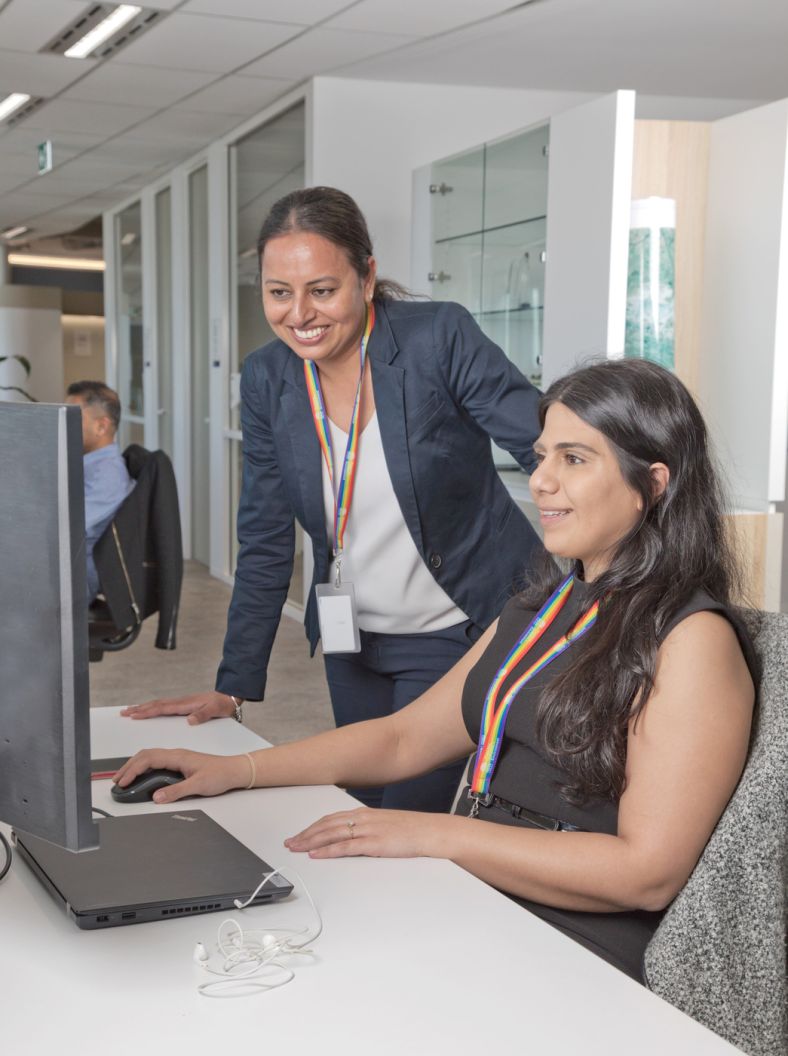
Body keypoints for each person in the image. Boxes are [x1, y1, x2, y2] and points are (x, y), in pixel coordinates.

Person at [115, 359, 757, 983]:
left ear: (654, 482)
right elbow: (404, 738)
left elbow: (646, 873)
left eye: (574, 458)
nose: (540, 480)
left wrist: (430, 834)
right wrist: (239, 769)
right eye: (540, 456)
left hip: (571, 945)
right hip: (469, 893)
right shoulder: (544, 605)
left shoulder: (691, 642)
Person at [121, 186, 544, 813]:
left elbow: (548, 443)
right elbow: (264, 537)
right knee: (360, 803)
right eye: (278, 292)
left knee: (407, 820)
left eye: (322, 290)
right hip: (353, 639)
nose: (300, 315)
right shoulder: (269, 376)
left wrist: (606, 567)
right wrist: (234, 686)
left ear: (366, 277)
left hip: (461, 628)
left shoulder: (436, 339)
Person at [65, 380, 135, 603]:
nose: (64, 425)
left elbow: (67, 527)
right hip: (64, 566)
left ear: (101, 426)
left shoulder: (107, 474)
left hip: (75, 577)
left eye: (71, 418)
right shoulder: (89, 464)